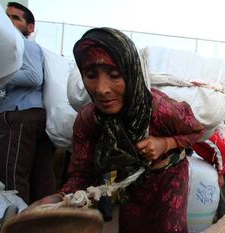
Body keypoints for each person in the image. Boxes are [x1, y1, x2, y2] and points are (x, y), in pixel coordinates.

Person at [45, 27, 206, 232]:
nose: (101, 89)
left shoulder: (158, 107)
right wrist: (59, 199)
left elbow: (196, 130)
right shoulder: (89, 120)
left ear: (131, 72)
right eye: (91, 75)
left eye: (114, 75)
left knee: (167, 227)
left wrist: (165, 143)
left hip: (169, 178)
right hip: (131, 182)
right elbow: (82, 173)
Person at [0, 2, 55, 204]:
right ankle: (46, 221)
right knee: (42, 176)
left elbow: (33, 77)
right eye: (7, 17)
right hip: (32, 115)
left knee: (13, 175)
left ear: (30, 27)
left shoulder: (25, 45)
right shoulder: (16, 49)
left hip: (21, 115)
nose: (9, 22)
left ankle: (18, 221)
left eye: (16, 18)